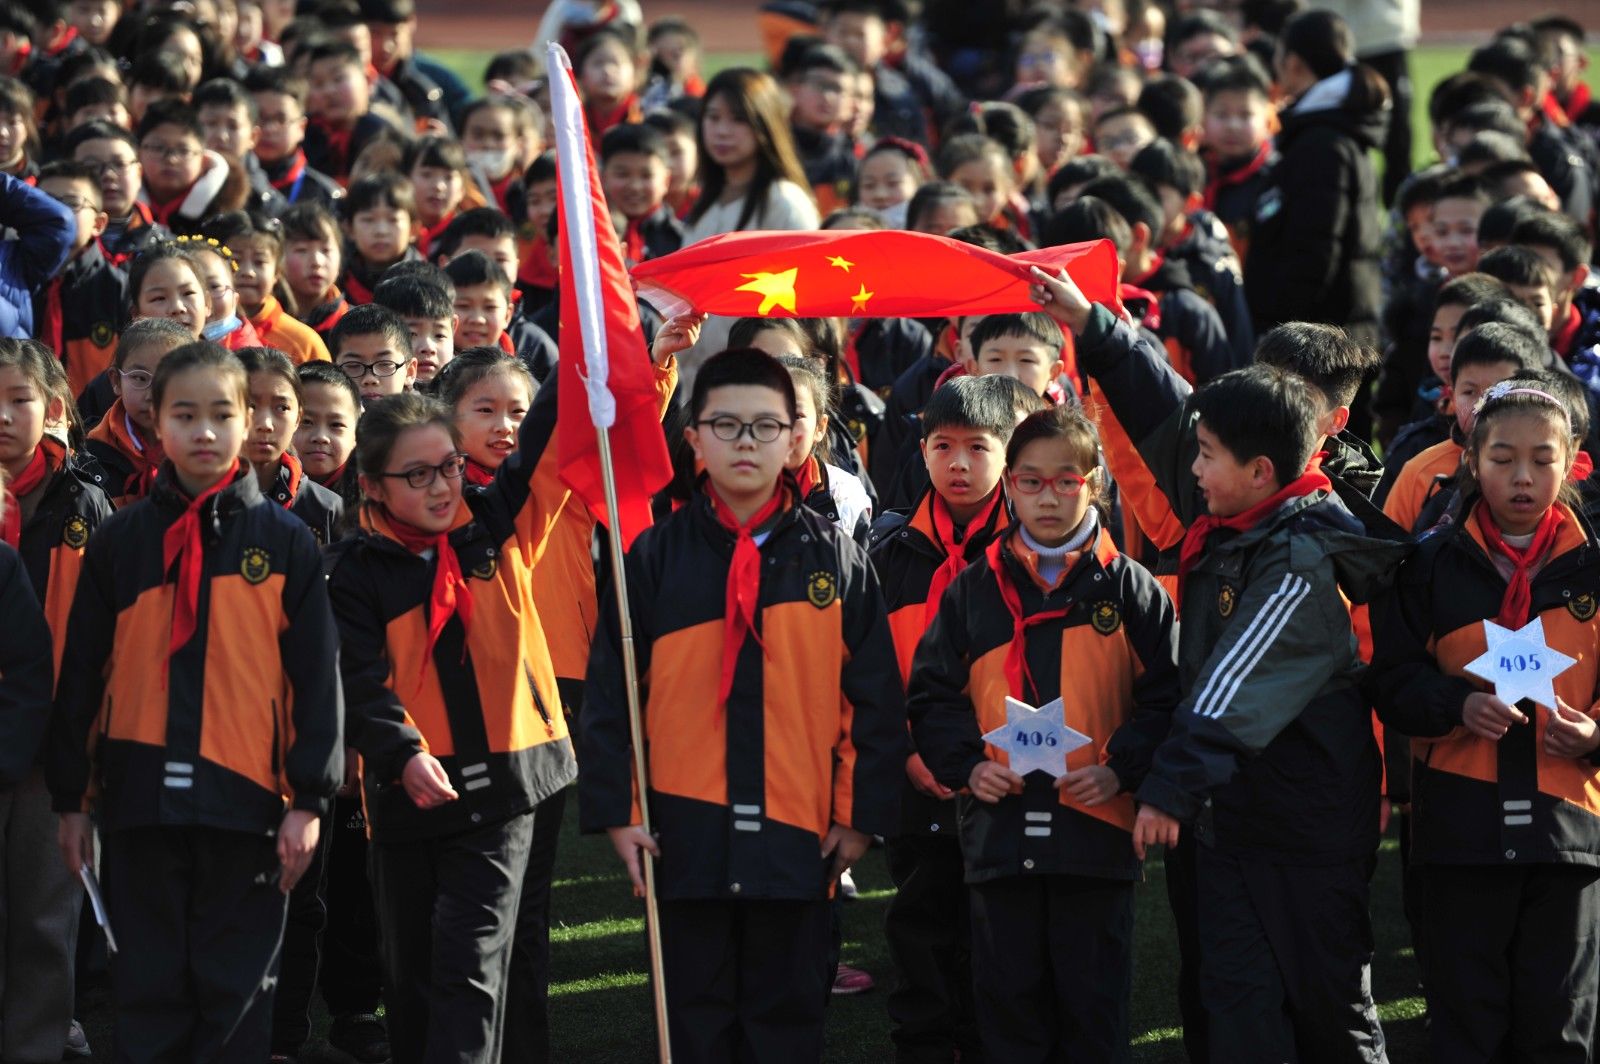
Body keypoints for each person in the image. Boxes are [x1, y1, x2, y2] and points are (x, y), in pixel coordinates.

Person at [1030, 266, 1402, 1063]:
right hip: (1230, 813)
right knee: (1232, 1006)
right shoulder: (1244, 503)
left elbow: (1237, 685)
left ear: (1264, 465)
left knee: (1327, 1008)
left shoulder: (1302, 551)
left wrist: (1166, 785)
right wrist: (1094, 323)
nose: (1190, 472)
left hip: (1298, 822)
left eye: (1206, 456)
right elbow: (1167, 410)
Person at [579, 347, 905, 1063]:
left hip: (801, 830)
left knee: (787, 1020)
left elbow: (874, 702)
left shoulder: (836, 560)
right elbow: (611, 695)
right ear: (693, 437)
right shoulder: (655, 557)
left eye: (766, 425)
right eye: (727, 425)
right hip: (684, 828)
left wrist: (857, 820)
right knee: (696, 1023)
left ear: (797, 437)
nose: (747, 442)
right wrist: (621, 813)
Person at [50, 341, 343, 1063]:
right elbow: (83, 672)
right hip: (137, 799)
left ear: (249, 421)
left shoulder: (285, 543)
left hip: (247, 800)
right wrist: (72, 800)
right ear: (153, 420)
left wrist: (309, 798)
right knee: (149, 990)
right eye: (186, 414)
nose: (204, 432)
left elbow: (317, 676)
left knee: (236, 991)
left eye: (221, 414)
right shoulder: (120, 540)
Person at [908, 402, 1180, 1062]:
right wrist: (969, 767)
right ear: (1010, 488)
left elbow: (1171, 701)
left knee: (1093, 1012)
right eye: (1030, 481)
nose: (1048, 497)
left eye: (1067, 480)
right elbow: (932, 698)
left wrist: (1121, 769)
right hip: (998, 838)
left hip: (1097, 837)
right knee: (1008, 1014)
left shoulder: (1133, 590)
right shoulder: (972, 591)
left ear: (1096, 484)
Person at [326, 361, 574, 1063]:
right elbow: (360, 682)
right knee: (411, 980)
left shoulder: (494, 520)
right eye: (418, 475)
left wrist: (612, 333)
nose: (441, 487)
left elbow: (554, 427)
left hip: (504, 784)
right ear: (371, 485)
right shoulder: (352, 570)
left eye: (448, 468)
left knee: (471, 967)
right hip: (406, 795)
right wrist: (404, 753)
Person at [1370, 377, 1600, 1063]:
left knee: (1560, 1027)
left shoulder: (1592, 568)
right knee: (1466, 1023)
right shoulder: (1429, 565)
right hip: (1459, 829)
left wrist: (1596, 735)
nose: (1522, 476)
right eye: (1502, 458)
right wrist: (1456, 704)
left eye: (1541, 458)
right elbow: (1392, 682)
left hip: (1570, 834)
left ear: (1573, 460)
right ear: (1471, 458)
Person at [868, 374, 1037, 1062]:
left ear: (1009, 452)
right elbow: (872, 675)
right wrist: (914, 754)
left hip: (1011, 778)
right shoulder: (890, 555)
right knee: (921, 925)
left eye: (978, 446)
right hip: (918, 780)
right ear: (922, 448)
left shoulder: (1035, 551)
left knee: (1006, 938)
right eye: (943, 445)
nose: (959, 463)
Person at [0, 338, 108, 1064]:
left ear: (55, 408)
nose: (3, 415)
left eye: (18, 399)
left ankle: (34, 1046)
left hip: (56, 747)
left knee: (44, 914)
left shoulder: (82, 499)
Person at [1244, 10, 1387, 385]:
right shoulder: (1326, 130)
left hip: (1321, 349)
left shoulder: (1322, 142)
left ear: (1291, 62)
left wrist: (1285, 334)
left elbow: (1314, 252)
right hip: (1333, 334)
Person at [35, 159, 129, 398]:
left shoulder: (121, 289)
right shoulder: (11, 282)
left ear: (99, 223)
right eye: (45, 202)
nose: (56, 212)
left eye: (71, 204)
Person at [83, 317, 194, 507]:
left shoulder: (206, 449)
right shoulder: (88, 456)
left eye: (167, 380)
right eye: (140, 378)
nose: (152, 395)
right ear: (116, 381)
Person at [236, 346, 343, 542]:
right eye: (250, 405)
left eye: (282, 408)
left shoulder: (326, 509)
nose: (265, 424)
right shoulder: (196, 500)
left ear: (297, 418)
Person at [206, 209, 333, 363]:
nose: (248, 272)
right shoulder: (200, 330)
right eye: (236, 260)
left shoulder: (304, 342)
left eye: (259, 262)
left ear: (277, 273)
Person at [331, 303, 416, 405]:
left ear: (410, 371)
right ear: (333, 373)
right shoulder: (317, 419)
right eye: (353, 365)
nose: (369, 379)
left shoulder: (430, 419)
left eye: (385, 364)